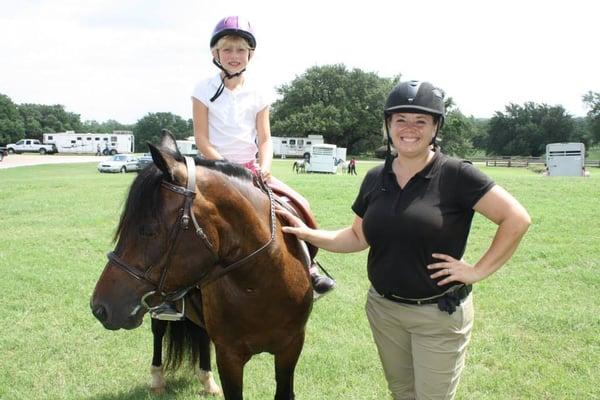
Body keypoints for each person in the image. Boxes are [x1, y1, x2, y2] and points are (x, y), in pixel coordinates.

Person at [277, 80, 531, 400]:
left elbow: (516, 219)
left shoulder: (456, 174)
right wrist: (306, 232)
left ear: (436, 127)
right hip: (384, 311)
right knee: (401, 393)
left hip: (437, 315)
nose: (409, 128)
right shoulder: (375, 177)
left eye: (420, 120)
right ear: (388, 125)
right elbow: (357, 236)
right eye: (401, 119)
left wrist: (477, 271)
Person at [190, 17, 334, 296]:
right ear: (215, 53)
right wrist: (225, 168)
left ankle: (310, 265)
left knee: (298, 204)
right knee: (178, 214)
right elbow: (202, 139)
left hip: (251, 170)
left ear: (250, 54)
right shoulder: (202, 89)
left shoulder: (259, 91)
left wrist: (265, 166)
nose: (234, 56)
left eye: (241, 50)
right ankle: (174, 292)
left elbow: (265, 138)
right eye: (228, 49)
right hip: (212, 168)